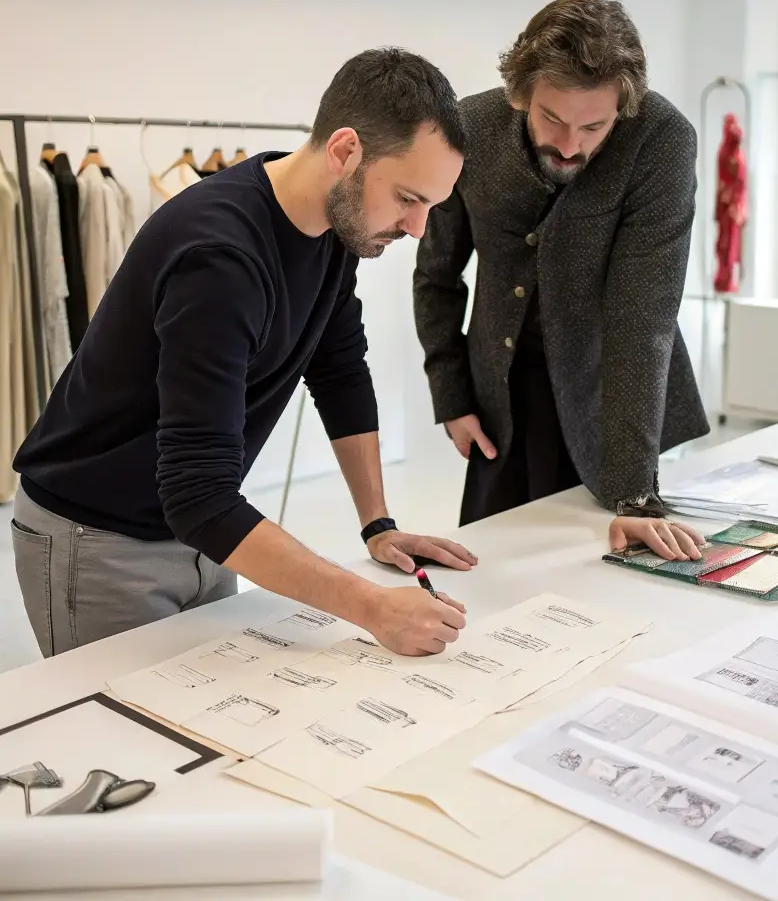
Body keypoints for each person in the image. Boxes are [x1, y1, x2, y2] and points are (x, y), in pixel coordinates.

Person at [12, 48, 477, 659]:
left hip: (204, 530)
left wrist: (378, 525)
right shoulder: (220, 257)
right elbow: (198, 493)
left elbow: (339, 372)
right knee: (133, 745)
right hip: (99, 538)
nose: (417, 229)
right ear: (344, 151)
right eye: (408, 199)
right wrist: (370, 607)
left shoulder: (333, 232)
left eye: (430, 208)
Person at [414, 0, 709, 527]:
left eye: (594, 127)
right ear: (521, 93)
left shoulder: (663, 141)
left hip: (613, 396)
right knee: (491, 564)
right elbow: (436, 274)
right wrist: (451, 396)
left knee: (596, 567)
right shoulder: (468, 128)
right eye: (552, 119)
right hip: (499, 395)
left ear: (624, 105)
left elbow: (642, 322)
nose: (570, 146)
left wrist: (634, 495)